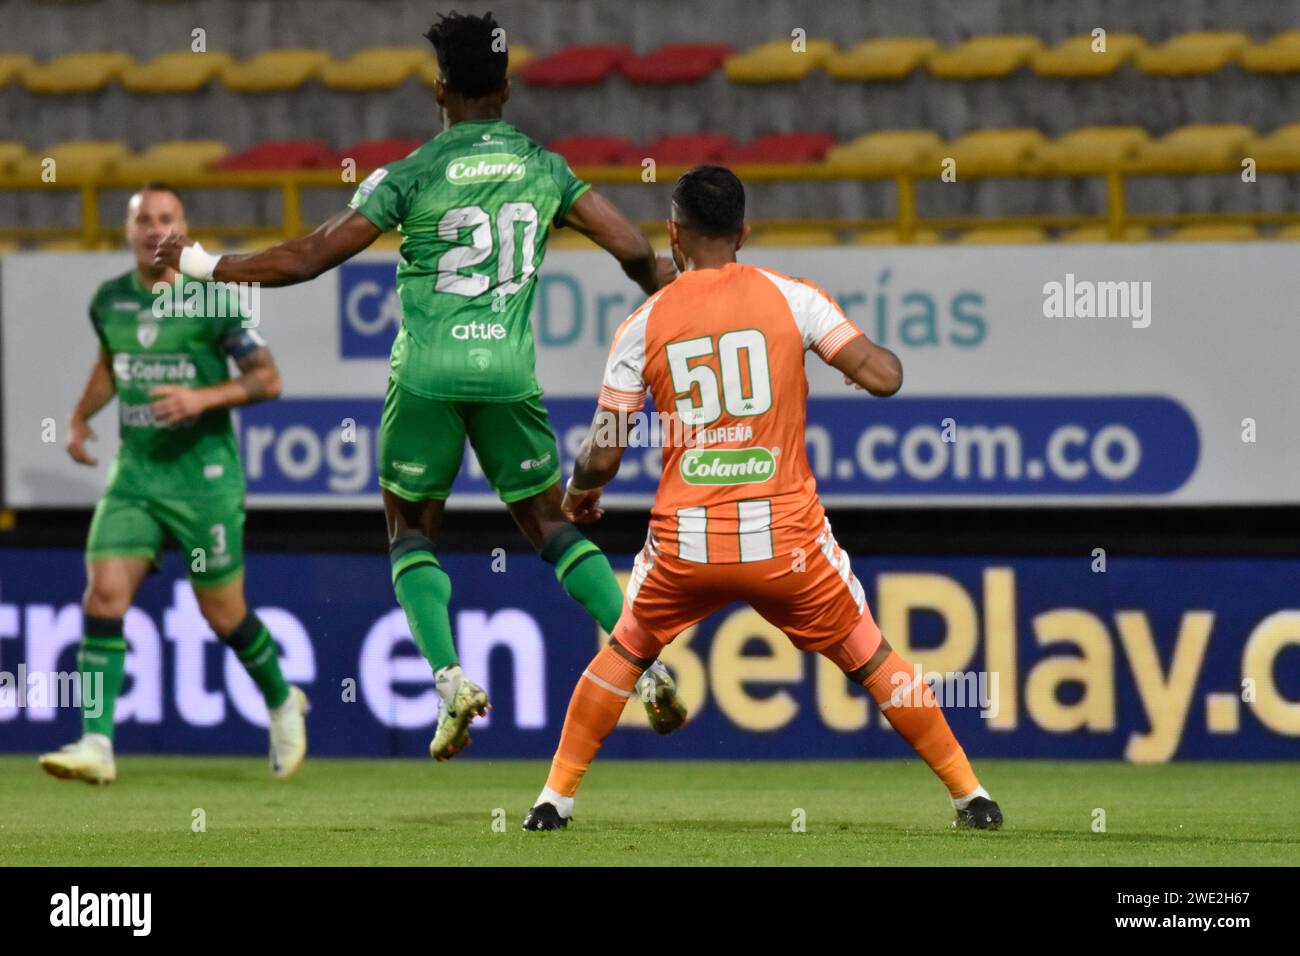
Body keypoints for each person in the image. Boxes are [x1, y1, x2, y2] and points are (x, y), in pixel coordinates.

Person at [156, 11, 685, 762]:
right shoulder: (545, 167)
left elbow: (308, 257)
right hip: (507, 374)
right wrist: (667, 281)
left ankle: (451, 682)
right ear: (506, 86)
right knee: (552, 526)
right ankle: (646, 661)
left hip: (427, 376)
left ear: (439, 89)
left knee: (410, 533)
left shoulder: (410, 173)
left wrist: (206, 264)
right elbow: (633, 249)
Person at [524, 166, 1003, 831]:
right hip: (789, 545)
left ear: (674, 235)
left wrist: (581, 493)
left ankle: (554, 802)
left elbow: (604, 448)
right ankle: (970, 797)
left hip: (689, 542)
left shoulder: (644, 322)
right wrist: (856, 361)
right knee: (870, 655)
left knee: (628, 649)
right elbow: (883, 375)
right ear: (744, 233)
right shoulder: (793, 299)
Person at [40, 182, 307, 785]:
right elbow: (113, 362)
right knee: (103, 597)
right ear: (128, 231)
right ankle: (97, 744)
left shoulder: (213, 301)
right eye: (143, 220)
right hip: (135, 474)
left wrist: (200, 398)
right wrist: (82, 415)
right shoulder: (109, 299)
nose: (154, 229)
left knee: (224, 616)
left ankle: (281, 699)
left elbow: (268, 380)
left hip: (203, 480)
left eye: (166, 218)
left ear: (182, 230)